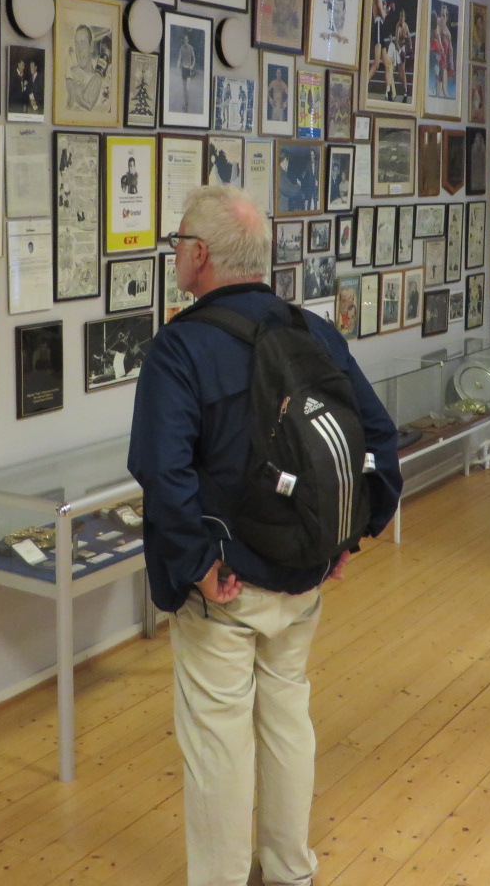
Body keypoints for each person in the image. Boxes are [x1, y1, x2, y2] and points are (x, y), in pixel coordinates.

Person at [128, 185, 400, 886]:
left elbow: (162, 471)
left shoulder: (178, 348)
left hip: (225, 583)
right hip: (302, 571)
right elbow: (375, 436)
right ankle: (289, 871)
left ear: (199, 255)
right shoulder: (315, 334)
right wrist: (346, 536)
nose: (176, 254)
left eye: (178, 243)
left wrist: (198, 565)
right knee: (286, 719)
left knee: (218, 740)